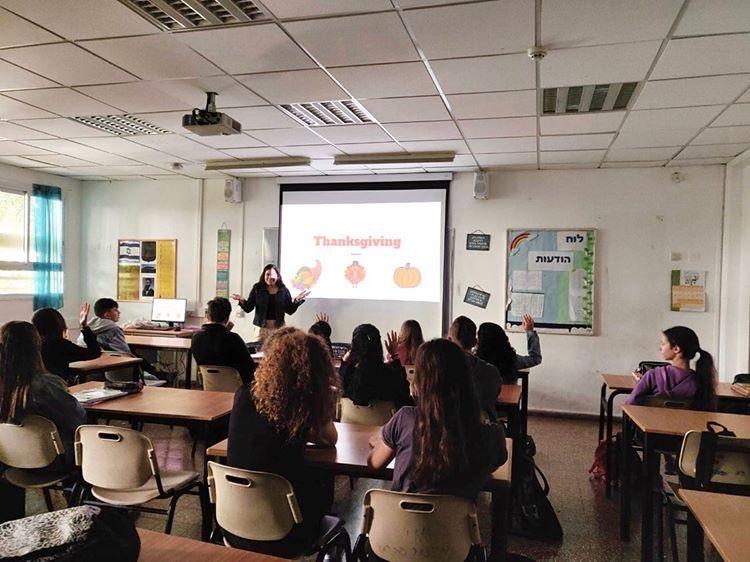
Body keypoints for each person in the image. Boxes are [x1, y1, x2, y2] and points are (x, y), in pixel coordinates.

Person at [226, 327, 339, 548]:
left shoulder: (243, 394)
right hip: (288, 532)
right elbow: (329, 438)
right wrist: (320, 396)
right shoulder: (300, 402)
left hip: (233, 525)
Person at [368, 338, 507, 500]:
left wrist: (381, 442)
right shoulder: (491, 435)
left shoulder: (405, 419)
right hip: (456, 525)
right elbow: (494, 465)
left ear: (421, 381)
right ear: (467, 379)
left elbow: (374, 465)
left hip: (400, 523)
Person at [0, 321, 87, 469]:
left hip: (8, 456)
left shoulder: (6, 384)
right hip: (52, 459)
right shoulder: (45, 384)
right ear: (36, 347)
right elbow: (77, 420)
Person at [625, 326, 716, 411]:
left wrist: (641, 384)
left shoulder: (652, 376)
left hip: (650, 426)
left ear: (676, 349)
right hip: (685, 427)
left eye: (663, 344)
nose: (660, 348)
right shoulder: (700, 382)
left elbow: (630, 404)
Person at [79, 298, 161, 381]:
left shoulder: (87, 327)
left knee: (134, 351)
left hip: (93, 371)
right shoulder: (113, 329)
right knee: (134, 354)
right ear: (107, 315)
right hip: (120, 372)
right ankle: (159, 374)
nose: (119, 312)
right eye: (115, 310)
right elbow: (125, 353)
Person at [231, 264, 309, 344]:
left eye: (272, 275)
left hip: (278, 327)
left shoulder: (283, 290)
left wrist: (297, 301)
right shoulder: (257, 288)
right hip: (261, 327)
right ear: (264, 275)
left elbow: (290, 310)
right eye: (267, 274)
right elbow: (248, 308)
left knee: (277, 350)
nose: (269, 277)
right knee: (258, 350)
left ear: (278, 276)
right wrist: (242, 300)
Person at [340, 324, 411, 409]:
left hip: (350, 422)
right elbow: (404, 391)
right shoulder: (389, 374)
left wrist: (344, 363)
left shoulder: (347, 376)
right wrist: (394, 356)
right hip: (386, 422)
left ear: (354, 347)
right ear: (378, 345)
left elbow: (341, 380)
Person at [32, 303, 102, 385]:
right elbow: (94, 352)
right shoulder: (61, 346)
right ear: (59, 325)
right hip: (57, 389)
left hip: (33, 391)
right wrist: (84, 326)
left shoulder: (31, 345)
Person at [448, 316, 502, 421]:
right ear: (475, 342)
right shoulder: (491, 372)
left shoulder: (438, 370)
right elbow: (493, 396)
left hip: (449, 427)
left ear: (449, 340)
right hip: (482, 427)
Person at [192, 297, 255, 385]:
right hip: (237, 388)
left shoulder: (196, 338)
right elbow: (250, 367)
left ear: (207, 316)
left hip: (209, 387)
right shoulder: (234, 338)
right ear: (227, 318)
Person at [475, 314, 541, 384]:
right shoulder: (511, 359)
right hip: (508, 394)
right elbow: (535, 359)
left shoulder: (474, 360)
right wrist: (530, 331)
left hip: (483, 394)